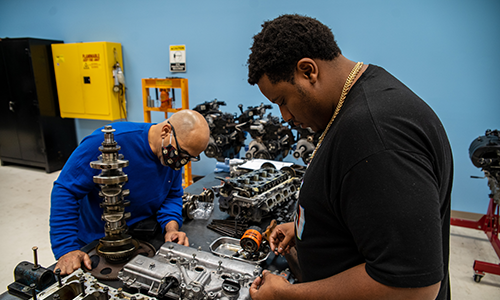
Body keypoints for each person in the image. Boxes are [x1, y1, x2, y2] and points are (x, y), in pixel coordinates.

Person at [247, 14, 452, 300]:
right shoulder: (362, 99)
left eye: (283, 101)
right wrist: (307, 227)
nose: (286, 117)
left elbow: (411, 288)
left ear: (308, 71)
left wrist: (286, 296)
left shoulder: (375, 133)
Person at [50, 110, 210, 275]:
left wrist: (171, 228)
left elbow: (172, 195)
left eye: (190, 158)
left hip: (140, 238)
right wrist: (66, 248)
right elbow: (65, 190)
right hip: (97, 243)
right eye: (182, 153)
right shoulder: (103, 143)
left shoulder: (170, 155)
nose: (182, 162)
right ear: (166, 131)